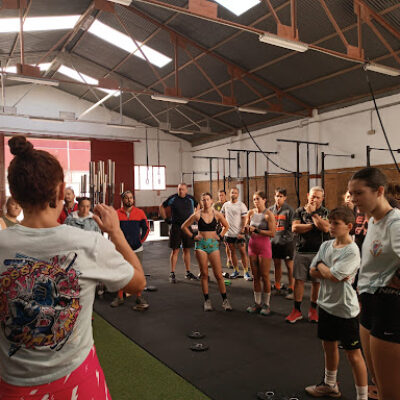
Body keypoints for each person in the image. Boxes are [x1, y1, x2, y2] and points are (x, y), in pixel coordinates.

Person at [0, 136, 145, 399]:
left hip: (12, 386)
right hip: (78, 382)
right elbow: (138, 283)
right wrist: (116, 233)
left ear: (14, 193)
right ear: (59, 192)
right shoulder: (88, 243)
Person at [348, 167, 400, 400]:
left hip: (388, 307)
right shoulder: (374, 220)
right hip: (369, 305)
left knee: (391, 392)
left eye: (358, 193)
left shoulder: (395, 223)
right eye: (351, 193)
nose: (353, 199)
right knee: (378, 382)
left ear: (379, 191)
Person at [306, 207, 368, 400]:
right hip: (325, 305)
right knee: (329, 346)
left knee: (353, 355)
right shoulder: (326, 246)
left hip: (346, 311)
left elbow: (332, 275)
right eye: (330, 222)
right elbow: (312, 270)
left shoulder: (352, 250)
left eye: (336, 224)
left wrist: (324, 268)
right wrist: (327, 270)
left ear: (349, 227)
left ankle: (362, 397)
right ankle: (330, 385)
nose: (331, 227)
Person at [286, 186, 330, 324]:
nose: (315, 199)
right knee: (299, 281)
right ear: (307, 196)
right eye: (312, 196)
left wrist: (313, 215)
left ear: (322, 198)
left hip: (319, 253)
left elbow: (326, 228)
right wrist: (315, 225)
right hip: (302, 251)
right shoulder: (299, 211)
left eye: (318, 197)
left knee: (316, 283)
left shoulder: (324, 212)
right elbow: (295, 228)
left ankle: (313, 310)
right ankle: (297, 311)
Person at [182, 192, 232, 312]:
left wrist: (220, 236)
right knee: (204, 274)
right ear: (201, 202)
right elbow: (184, 226)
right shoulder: (197, 215)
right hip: (201, 246)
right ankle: (207, 301)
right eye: (203, 200)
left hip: (213, 245)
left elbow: (226, 226)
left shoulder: (217, 214)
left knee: (218, 275)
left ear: (211, 201)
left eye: (207, 199)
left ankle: (225, 300)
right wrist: (193, 236)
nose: (205, 202)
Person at [111, 191, 150, 311]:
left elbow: (146, 228)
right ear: (122, 200)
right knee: (121, 272)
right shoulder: (116, 214)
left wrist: (140, 241)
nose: (129, 200)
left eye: (131, 198)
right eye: (126, 198)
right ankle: (119, 297)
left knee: (137, 273)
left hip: (137, 248)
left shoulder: (140, 213)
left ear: (133, 199)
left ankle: (139, 297)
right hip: (122, 248)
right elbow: (113, 230)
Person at [159, 183, 198, 283]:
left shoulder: (191, 198)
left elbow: (198, 206)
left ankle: (188, 272)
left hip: (187, 227)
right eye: (179, 189)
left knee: (187, 250)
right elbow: (161, 207)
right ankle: (172, 273)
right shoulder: (173, 198)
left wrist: (195, 217)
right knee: (175, 250)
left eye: (183, 189)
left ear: (186, 190)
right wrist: (166, 219)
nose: (181, 191)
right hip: (176, 227)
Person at [245, 191, 276, 315]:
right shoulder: (250, 213)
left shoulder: (268, 215)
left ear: (264, 200)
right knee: (255, 276)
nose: (256, 201)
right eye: (254, 199)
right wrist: (246, 229)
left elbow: (272, 233)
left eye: (258, 199)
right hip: (252, 246)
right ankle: (257, 303)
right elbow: (246, 229)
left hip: (264, 246)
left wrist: (256, 230)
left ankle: (266, 305)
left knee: (264, 275)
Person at [269, 188, 295, 299]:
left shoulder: (289, 210)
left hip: (287, 243)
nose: (278, 198)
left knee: (289, 266)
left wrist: (284, 239)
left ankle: (292, 288)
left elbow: (292, 228)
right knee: (277, 265)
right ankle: (277, 286)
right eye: (276, 196)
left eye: (280, 196)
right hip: (274, 243)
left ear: (285, 197)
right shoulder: (270, 210)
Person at [221, 187, 252, 280]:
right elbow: (221, 216)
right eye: (232, 192)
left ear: (238, 195)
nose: (233, 194)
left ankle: (246, 272)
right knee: (232, 252)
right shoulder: (225, 205)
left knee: (243, 252)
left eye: (235, 193)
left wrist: (242, 231)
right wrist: (222, 225)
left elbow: (245, 219)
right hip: (229, 234)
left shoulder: (241, 205)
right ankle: (236, 270)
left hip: (239, 234)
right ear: (229, 194)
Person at [213, 189, 233, 269]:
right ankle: (212, 261)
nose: (221, 197)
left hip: (225, 227)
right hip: (217, 227)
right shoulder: (215, 205)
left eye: (222, 195)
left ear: (225, 196)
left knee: (227, 245)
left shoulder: (229, 204)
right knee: (214, 245)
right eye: (219, 195)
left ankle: (229, 260)